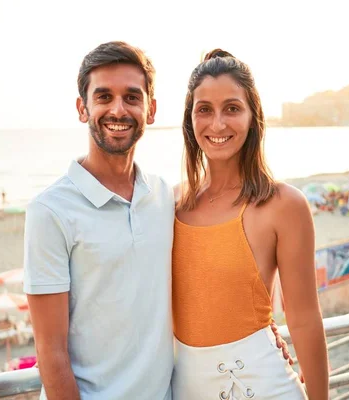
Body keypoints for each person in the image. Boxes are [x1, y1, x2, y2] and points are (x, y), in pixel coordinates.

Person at [23, 42, 290, 400]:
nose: (118, 109)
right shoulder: (50, 211)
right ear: (81, 108)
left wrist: (263, 332)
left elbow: (216, 272)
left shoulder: (168, 198)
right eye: (103, 97)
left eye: (132, 97)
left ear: (150, 110)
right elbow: (50, 354)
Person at [172, 49, 328, 399]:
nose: (218, 124)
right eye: (204, 110)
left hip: (265, 387)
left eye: (232, 108)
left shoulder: (283, 205)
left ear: (253, 115)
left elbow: (303, 320)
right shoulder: (169, 206)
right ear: (190, 120)